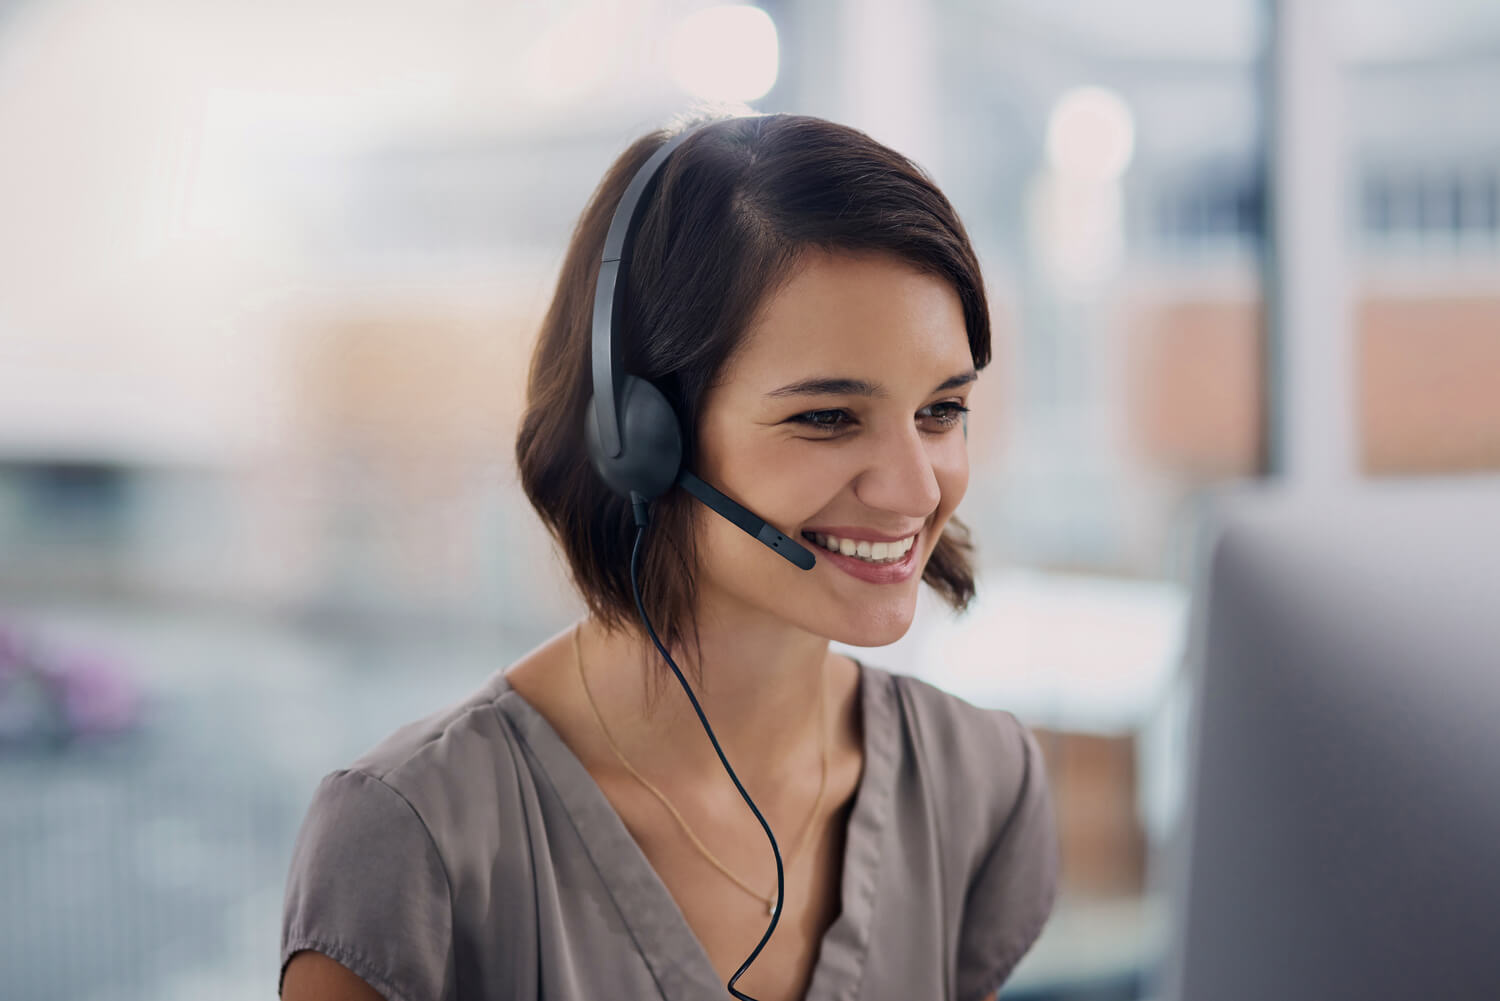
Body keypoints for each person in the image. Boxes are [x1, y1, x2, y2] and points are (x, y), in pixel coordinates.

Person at [279, 112, 1058, 1001]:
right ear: (637, 435)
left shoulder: (977, 782)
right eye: (827, 417)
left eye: (941, 410)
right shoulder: (416, 839)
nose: (916, 489)